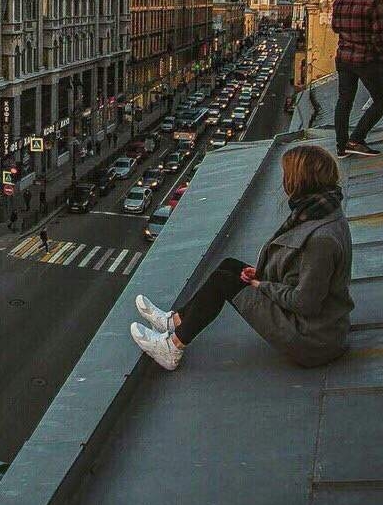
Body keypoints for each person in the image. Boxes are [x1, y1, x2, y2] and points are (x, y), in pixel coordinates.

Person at [131, 145, 353, 371]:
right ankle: (176, 321)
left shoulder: (321, 238)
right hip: (318, 327)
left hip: (312, 338)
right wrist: (262, 275)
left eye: (287, 175)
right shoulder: (322, 211)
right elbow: (301, 271)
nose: (284, 181)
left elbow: (306, 303)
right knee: (230, 267)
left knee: (224, 283)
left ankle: (172, 348)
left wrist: (262, 284)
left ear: (301, 181)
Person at [330, 0, 383, 157]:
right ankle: (356, 139)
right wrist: (382, 60)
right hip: (366, 60)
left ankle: (341, 146)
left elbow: (335, 28)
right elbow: (379, 36)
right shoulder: (375, 1)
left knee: (344, 101)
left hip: (344, 58)